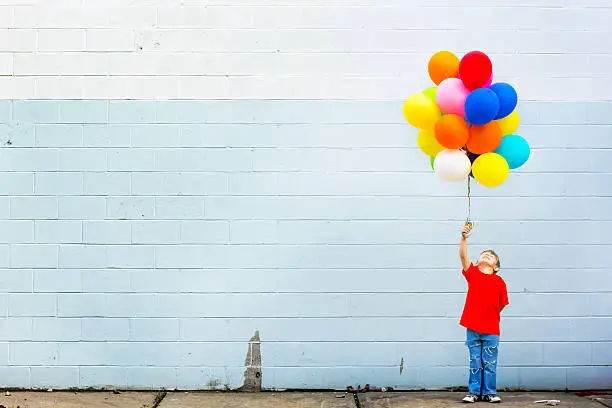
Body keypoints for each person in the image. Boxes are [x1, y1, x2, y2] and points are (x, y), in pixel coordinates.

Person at [459, 222, 509, 403]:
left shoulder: (499, 282)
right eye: (483, 255)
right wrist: (463, 237)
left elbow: (502, 304)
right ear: (478, 262)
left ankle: (489, 392)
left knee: (490, 363)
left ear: (496, 266)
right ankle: (473, 392)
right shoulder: (473, 275)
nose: (487, 255)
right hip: (473, 328)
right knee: (475, 362)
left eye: (491, 256)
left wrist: (490, 315)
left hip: (491, 331)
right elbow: (463, 257)